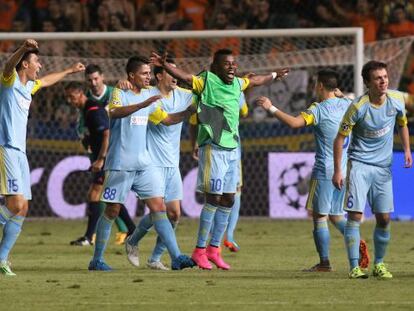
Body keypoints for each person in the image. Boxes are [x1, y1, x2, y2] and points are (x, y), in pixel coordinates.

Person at [151, 48, 289, 270]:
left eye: (234, 63)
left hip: (233, 149)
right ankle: (199, 251)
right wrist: (165, 65)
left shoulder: (237, 84)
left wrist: (274, 75)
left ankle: (214, 250)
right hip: (213, 149)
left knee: (229, 199)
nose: (232, 67)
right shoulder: (207, 80)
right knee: (213, 199)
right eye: (227, 64)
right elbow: (186, 77)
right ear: (215, 66)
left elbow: (256, 81)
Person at [256, 69, 370, 272]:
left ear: (319, 86)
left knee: (319, 216)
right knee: (336, 216)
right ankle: (357, 240)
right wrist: (341, 95)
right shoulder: (347, 105)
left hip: (324, 170)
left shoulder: (318, 109)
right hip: (343, 170)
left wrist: (270, 107)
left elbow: (293, 123)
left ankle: (324, 263)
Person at [88, 56, 195, 271]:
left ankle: (176, 257)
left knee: (159, 208)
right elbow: (115, 113)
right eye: (145, 73)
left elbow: (165, 119)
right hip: (121, 164)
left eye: (149, 73)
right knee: (112, 211)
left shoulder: (149, 95)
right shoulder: (120, 92)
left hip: (144, 164)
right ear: (131, 76)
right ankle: (97, 260)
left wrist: (190, 112)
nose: (148, 77)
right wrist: (142, 104)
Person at [0, 39, 85, 276]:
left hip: (20, 152)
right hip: (5, 148)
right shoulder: (10, 81)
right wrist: (23, 49)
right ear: (25, 64)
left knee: (23, 208)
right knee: (15, 204)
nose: (40, 65)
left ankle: (1, 259)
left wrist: (69, 71)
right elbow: (8, 66)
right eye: (36, 61)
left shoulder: (28, 88)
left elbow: (46, 81)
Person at [332, 60, 412, 279]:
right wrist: (338, 170)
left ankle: (379, 264)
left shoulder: (396, 100)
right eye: (378, 78)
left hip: (383, 168)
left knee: (384, 218)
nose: (383, 81)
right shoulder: (358, 107)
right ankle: (354, 267)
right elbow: (339, 139)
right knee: (355, 216)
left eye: (385, 77)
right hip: (359, 165)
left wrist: (406, 149)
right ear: (367, 83)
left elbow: (402, 124)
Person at [123, 59, 194, 271]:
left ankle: (153, 257)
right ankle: (136, 242)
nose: (176, 76)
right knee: (159, 210)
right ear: (160, 75)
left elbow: (205, 90)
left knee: (174, 214)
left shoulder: (184, 94)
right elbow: (169, 120)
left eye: (177, 71)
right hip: (151, 163)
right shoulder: (149, 96)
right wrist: (122, 84)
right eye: (171, 71)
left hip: (173, 163)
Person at [70, 64, 135, 246]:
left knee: (101, 192)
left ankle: (93, 235)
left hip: (116, 148)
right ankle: (128, 229)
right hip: (99, 150)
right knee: (106, 193)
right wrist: (85, 138)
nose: (93, 82)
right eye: (89, 80)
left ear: (103, 77)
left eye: (96, 78)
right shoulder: (85, 100)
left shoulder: (116, 92)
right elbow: (81, 125)